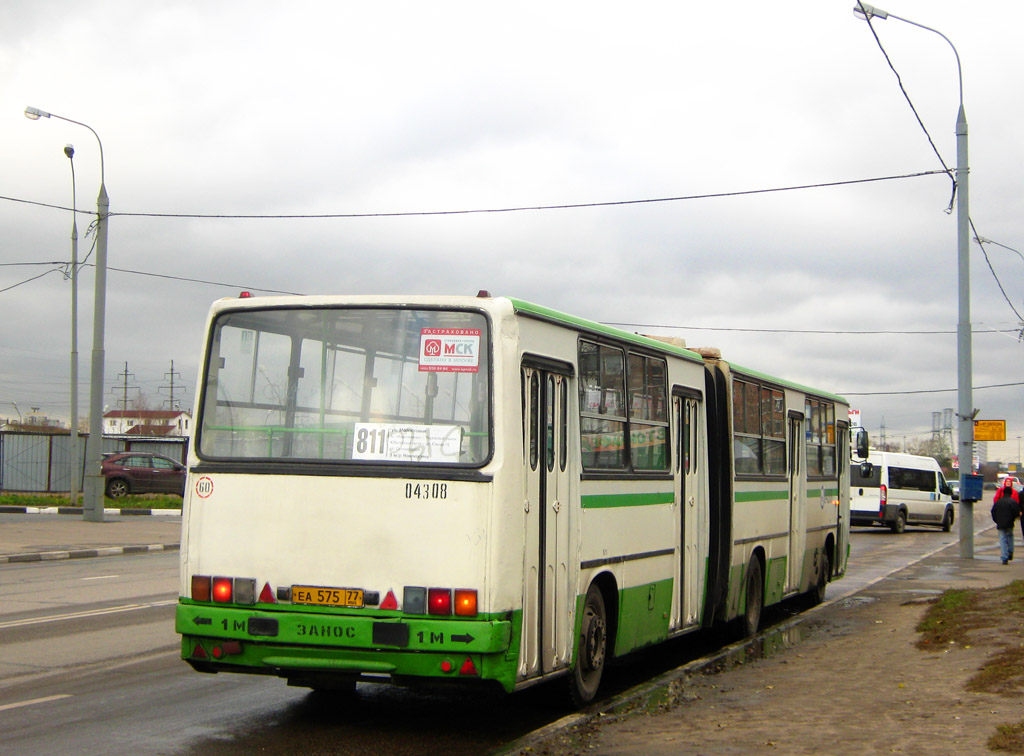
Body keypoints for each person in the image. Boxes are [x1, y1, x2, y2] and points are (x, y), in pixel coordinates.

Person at [991, 481, 1020, 565]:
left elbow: (993, 512)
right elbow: (1016, 513)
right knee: (1010, 536)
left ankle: (1004, 557)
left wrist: (997, 520)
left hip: (1000, 523)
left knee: (1002, 539)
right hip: (1010, 523)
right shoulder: (1013, 502)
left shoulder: (998, 502)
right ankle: (1010, 551)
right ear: (1011, 493)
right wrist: (1013, 519)